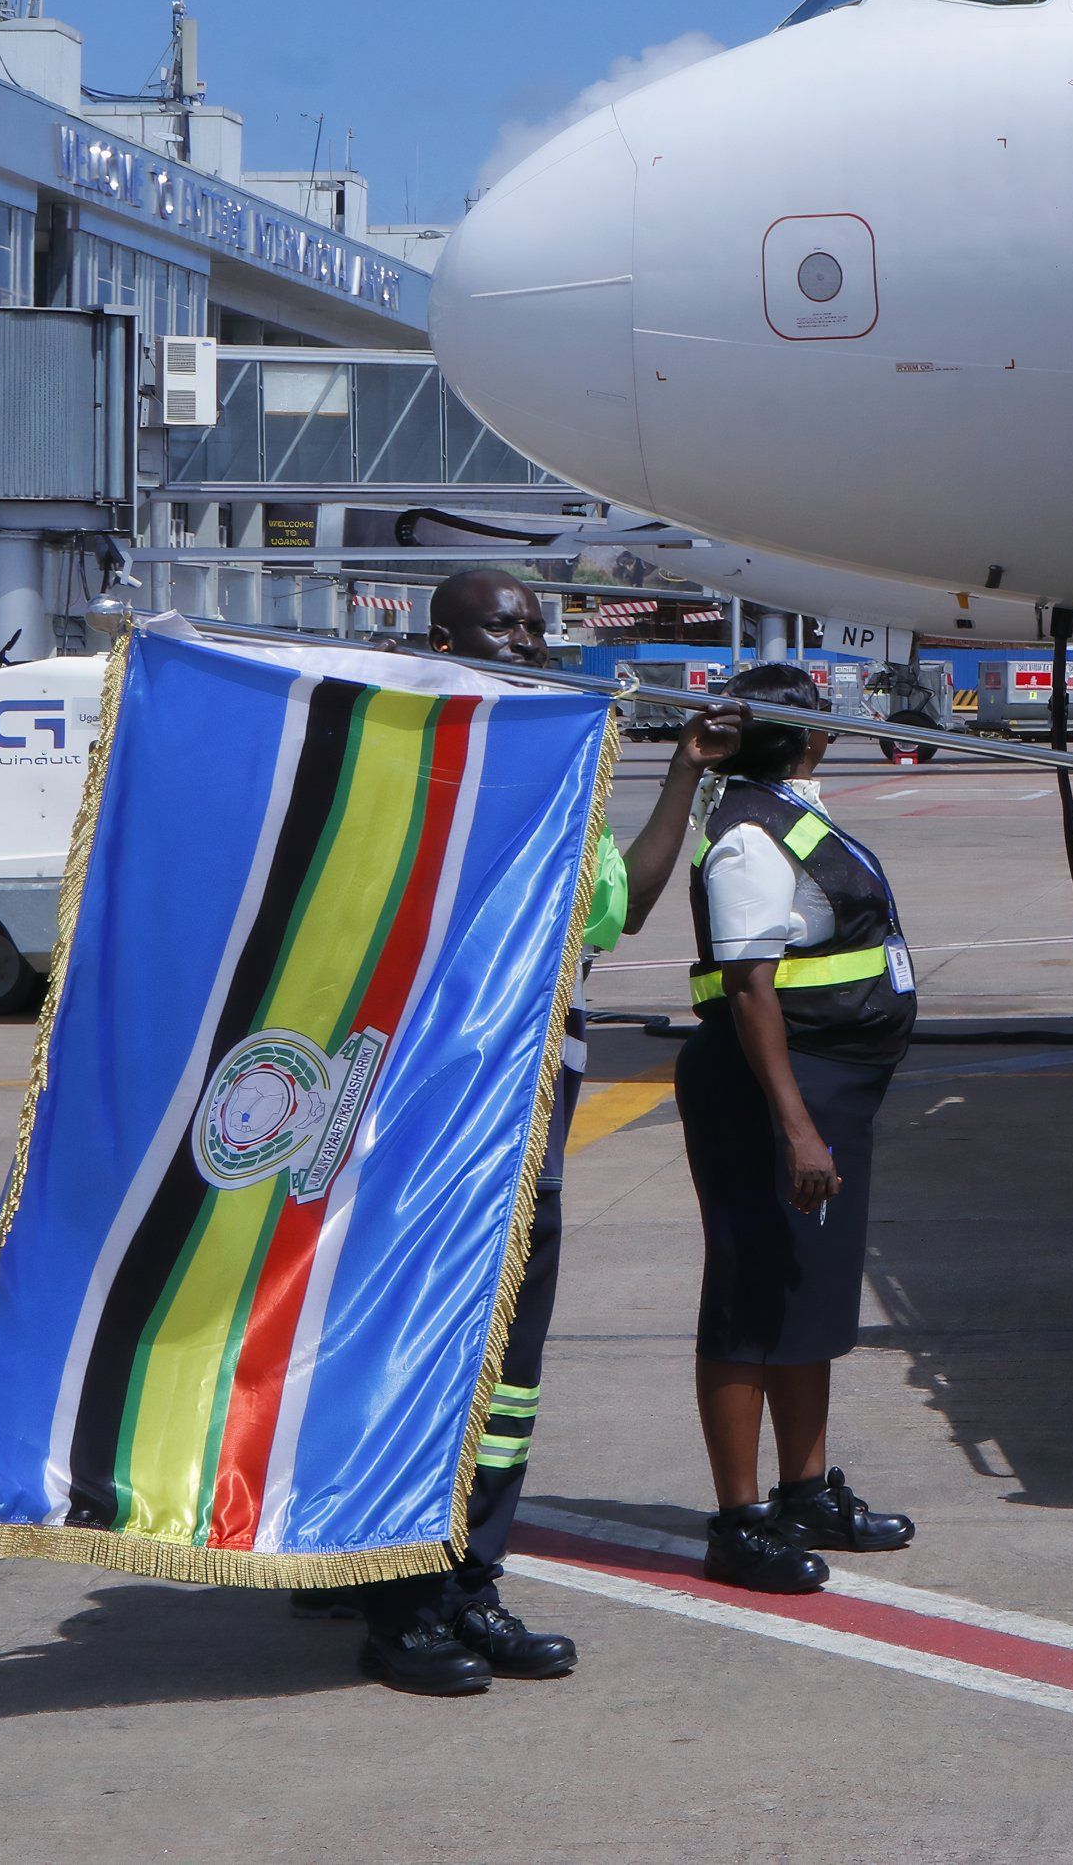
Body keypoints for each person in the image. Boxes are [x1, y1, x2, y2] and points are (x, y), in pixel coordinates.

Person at [322, 571, 723, 1694]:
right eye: (506, 625)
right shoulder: (406, 753)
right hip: (419, 1117)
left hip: (531, 1104)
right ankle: (395, 1599)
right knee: (415, 1352)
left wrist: (684, 768)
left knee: (507, 1376)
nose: (531, 641)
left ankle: (468, 1579)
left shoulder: (559, 764)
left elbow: (618, 908)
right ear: (443, 638)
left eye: (539, 626)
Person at [675, 663, 922, 1595]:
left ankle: (805, 1489)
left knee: (808, 1294)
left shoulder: (784, 808)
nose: (830, 728)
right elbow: (749, 987)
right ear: (798, 735)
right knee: (750, 1298)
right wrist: (796, 1126)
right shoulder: (747, 835)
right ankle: (739, 1518)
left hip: (826, 1090)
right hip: (768, 1092)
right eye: (817, 717)